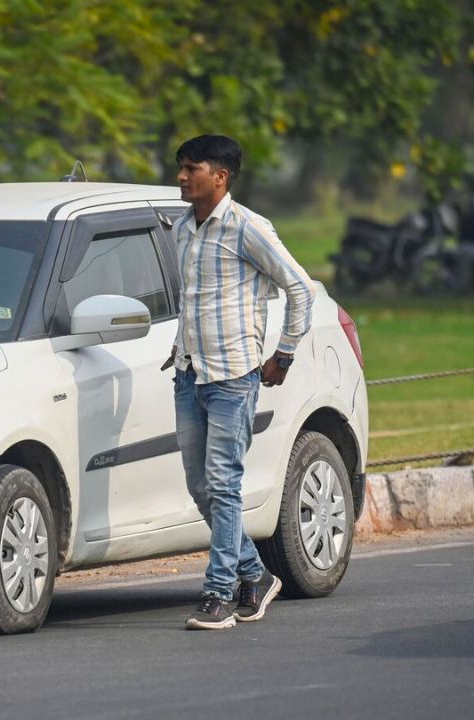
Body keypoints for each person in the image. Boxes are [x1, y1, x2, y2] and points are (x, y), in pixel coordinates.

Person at [167, 134, 315, 630]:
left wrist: (284, 354)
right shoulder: (182, 229)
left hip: (233, 377)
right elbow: (193, 301)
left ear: (220, 176)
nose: (182, 176)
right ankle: (255, 574)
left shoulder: (248, 228)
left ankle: (219, 594)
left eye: (191, 168)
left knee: (224, 483)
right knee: (201, 487)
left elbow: (300, 288)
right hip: (189, 373)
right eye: (181, 167)